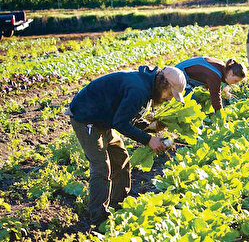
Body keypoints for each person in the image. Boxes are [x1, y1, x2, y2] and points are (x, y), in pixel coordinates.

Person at [66, 66, 186, 227]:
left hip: (104, 119)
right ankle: (98, 218)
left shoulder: (149, 89)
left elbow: (128, 116)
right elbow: (120, 123)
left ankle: (119, 203)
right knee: (101, 166)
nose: (170, 99)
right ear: (163, 84)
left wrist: (150, 127)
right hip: (87, 118)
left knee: (121, 158)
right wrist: (148, 139)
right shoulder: (139, 90)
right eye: (171, 94)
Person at [175, 56, 245, 112]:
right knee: (195, 110)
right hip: (177, 77)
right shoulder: (215, 75)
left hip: (181, 73)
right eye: (236, 80)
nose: (235, 83)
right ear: (230, 73)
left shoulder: (221, 66)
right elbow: (215, 97)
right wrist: (220, 114)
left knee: (189, 103)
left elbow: (205, 76)